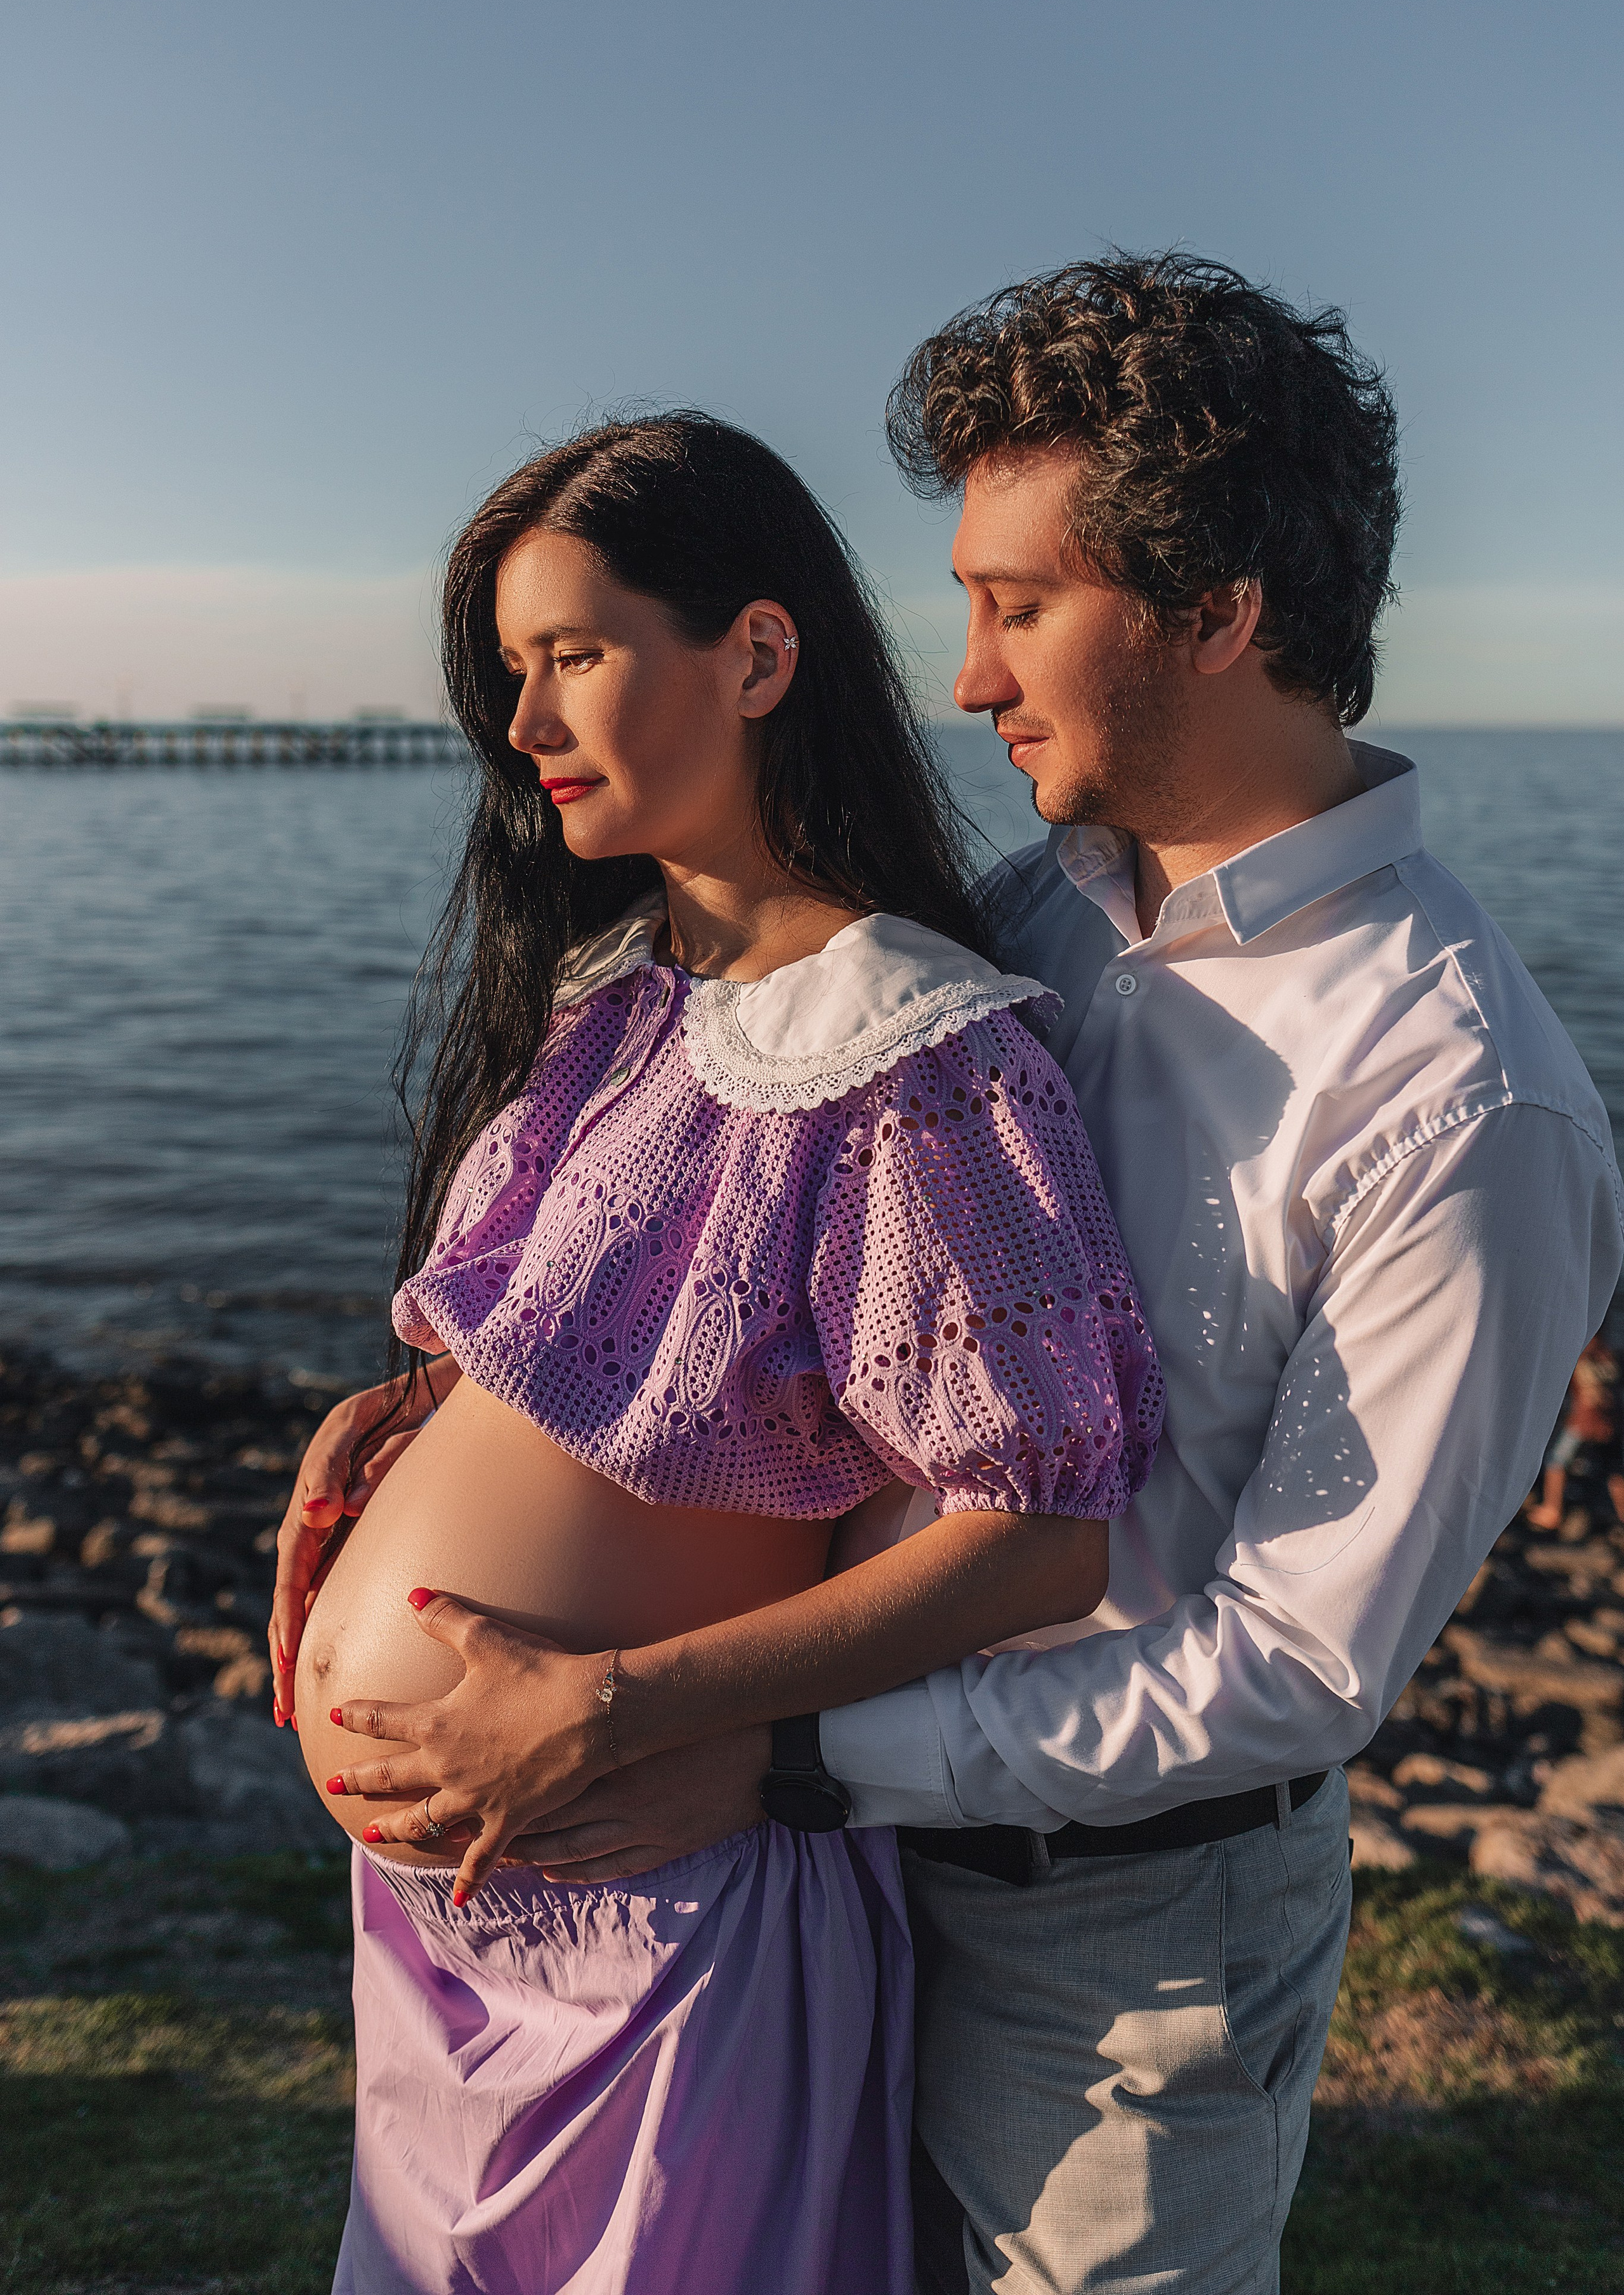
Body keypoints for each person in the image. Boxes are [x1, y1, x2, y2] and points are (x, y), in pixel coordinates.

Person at [338, 260, 1623, 2295]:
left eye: (1020, 605)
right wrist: (437, 1421)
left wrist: (773, 1753)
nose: (964, 676)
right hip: (807, 1860)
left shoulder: (1461, 1096)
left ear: (1220, 611)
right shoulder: (1022, 919)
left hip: (1111, 1946)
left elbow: (1294, 1663)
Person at [268, 412, 1163, 2295]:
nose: (525, 723)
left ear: (757, 655)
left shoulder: (914, 1056)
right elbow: (623, 1367)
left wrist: (620, 1706)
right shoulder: (614, 1003)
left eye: (575, 655)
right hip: (451, 1923)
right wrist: (404, 1416)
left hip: (655, 1920)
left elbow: (1038, 1532)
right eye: (512, 670)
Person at [1527, 1335, 1624, 1531]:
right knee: (1614, 1471)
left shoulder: (1584, 1351)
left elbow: (1590, 1390)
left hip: (1583, 1422)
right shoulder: (1607, 1354)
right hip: (1610, 1424)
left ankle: (1553, 1510)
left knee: (1556, 1461)